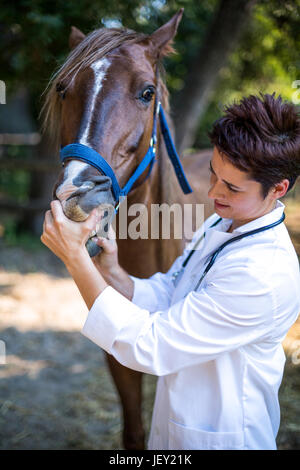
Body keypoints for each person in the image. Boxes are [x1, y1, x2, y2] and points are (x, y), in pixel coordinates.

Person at [41, 93, 300, 450]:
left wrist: (76, 259)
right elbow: (169, 292)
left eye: (232, 188)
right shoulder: (223, 223)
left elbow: (151, 346)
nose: (212, 192)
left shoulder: (262, 275)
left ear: (278, 189)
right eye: (214, 173)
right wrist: (112, 271)